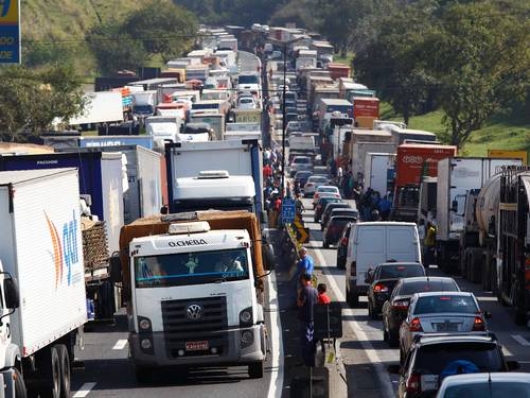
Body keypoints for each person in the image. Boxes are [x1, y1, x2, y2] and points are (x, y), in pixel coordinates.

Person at [297, 273, 318, 367]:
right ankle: (312, 360)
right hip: (313, 318)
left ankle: (306, 362)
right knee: (311, 339)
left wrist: (298, 295)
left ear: (304, 280)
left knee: (305, 341)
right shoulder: (315, 290)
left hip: (305, 318)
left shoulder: (304, 290)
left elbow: (300, 303)